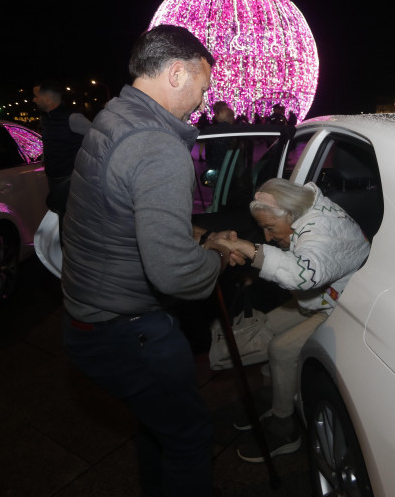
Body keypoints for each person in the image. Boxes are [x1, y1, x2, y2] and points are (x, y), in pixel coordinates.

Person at [60, 24, 237, 497]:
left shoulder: (116, 117)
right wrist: (216, 257)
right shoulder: (158, 146)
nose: (202, 100)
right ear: (176, 73)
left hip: (89, 316)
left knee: (158, 427)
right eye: (202, 86)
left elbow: (123, 210)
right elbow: (175, 272)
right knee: (189, 438)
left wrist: (190, 234)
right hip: (128, 331)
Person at [217, 178, 371, 463]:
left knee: (281, 349)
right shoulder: (305, 212)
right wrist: (256, 264)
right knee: (266, 325)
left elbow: (304, 274)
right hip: (319, 298)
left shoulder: (325, 229)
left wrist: (252, 251)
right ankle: (276, 396)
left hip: (341, 305)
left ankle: (284, 427)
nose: (266, 235)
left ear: (289, 214)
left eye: (269, 228)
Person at [32, 79, 91, 233]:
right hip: (53, 179)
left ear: (47, 98)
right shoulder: (45, 118)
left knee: (71, 224)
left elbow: (98, 137)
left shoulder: (72, 118)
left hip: (70, 180)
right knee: (61, 220)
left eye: (36, 96)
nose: (34, 100)